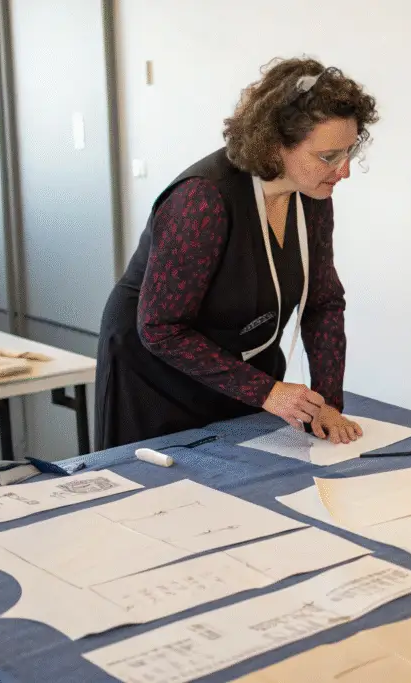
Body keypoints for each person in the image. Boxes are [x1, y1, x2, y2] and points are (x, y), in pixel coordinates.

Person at [95, 58, 378, 450]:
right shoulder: (201, 200)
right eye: (328, 156)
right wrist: (267, 392)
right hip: (156, 381)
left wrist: (326, 403)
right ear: (276, 144)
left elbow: (323, 303)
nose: (343, 171)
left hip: (241, 375)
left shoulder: (312, 197)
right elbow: (160, 328)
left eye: (350, 151)